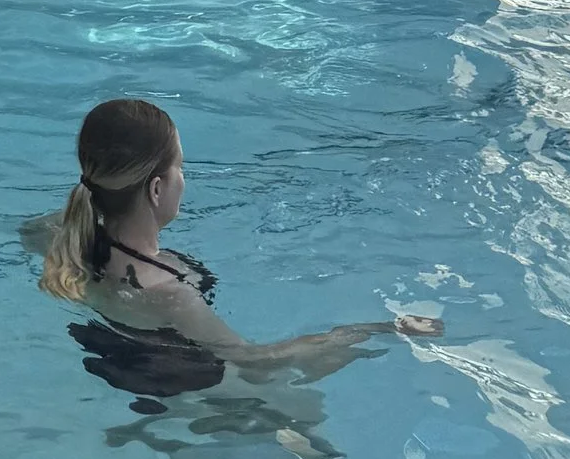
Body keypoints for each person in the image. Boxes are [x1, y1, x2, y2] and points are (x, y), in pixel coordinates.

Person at [31, 97, 439, 402]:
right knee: (311, 426)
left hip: (115, 362)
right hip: (187, 391)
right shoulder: (167, 291)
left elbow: (32, 231)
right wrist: (376, 331)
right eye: (181, 169)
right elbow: (256, 361)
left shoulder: (63, 237)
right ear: (157, 189)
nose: (183, 181)